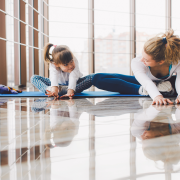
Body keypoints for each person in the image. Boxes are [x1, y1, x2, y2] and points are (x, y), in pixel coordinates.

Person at [92, 29, 180, 105]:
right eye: (142, 55)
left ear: (161, 61)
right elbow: (146, 82)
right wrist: (157, 96)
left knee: (172, 82)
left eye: (146, 59)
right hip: (145, 82)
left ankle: (160, 89)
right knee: (98, 78)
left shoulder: (176, 61)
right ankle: (144, 90)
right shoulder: (137, 62)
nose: (142, 60)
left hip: (168, 82)